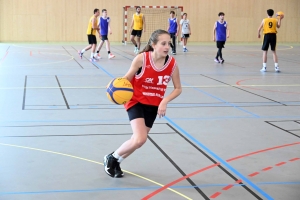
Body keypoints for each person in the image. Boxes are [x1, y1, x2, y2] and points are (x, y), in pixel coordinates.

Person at [103, 29, 182, 178]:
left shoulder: (172, 64)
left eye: (169, 44)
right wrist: (114, 88)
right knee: (140, 138)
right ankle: (111, 158)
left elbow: (178, 89)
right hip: (136, 101)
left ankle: (117, 161)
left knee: (138, 141)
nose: (167, 47)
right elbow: (126, 78)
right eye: (163, 43)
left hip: (153, 105)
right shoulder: (142, 59)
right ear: (153, 44)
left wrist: (164, 101)